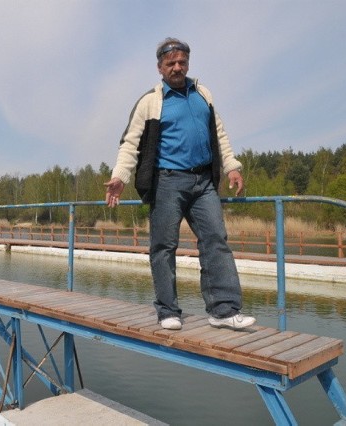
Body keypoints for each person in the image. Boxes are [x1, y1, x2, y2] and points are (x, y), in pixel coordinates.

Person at [104, 37, 256, 331]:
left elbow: (219, 134)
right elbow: (130, 143)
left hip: (203, 182)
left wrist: (232, 166)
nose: (177, 67)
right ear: (160, 67)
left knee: (216, 239)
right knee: (163, 246)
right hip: (167, 182)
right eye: (170, 63)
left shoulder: (203, 94)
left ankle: (223, 311)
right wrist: (120, 177)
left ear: (188, 63)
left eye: (182, 62)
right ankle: (167, 310)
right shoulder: (150, 102)